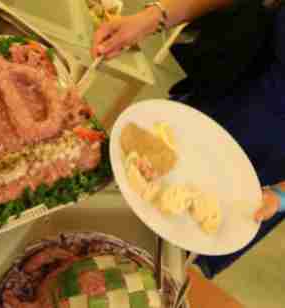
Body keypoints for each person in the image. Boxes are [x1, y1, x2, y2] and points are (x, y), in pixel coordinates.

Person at [92, 0, 285, 278]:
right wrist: (153, 17)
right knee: (118, 193)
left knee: (150, 259)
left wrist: (280, 196)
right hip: (222, 97)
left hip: (263, 166)